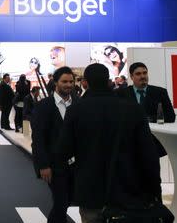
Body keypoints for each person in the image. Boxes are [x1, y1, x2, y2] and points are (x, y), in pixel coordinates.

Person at [54, 63, 163, 223]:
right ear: (108, 80)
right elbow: (149, 154)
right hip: (129, 191)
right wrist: (155, 190)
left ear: (87, 82)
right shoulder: (133, 109)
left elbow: (63, 152)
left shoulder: (76, 110)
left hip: (91, 190)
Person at [31, 66, 76, 223]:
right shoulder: (44, 106)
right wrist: (43, 165)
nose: (68, 85)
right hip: (54, 165)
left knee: (69, 200)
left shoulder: (78, 103)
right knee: (61, 202)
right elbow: (38, 138)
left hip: (76, 165)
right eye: (64, 81)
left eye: (71, 81)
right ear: (56, 82)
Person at [116, 62, 175, 157]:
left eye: (145, 73)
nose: (143, 76)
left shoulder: (160, 92)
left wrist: (149, 119)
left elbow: (171, 116)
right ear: (131, 77)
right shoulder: (121, 94)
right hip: (129, 144)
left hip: (154, 144)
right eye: (138, 74)